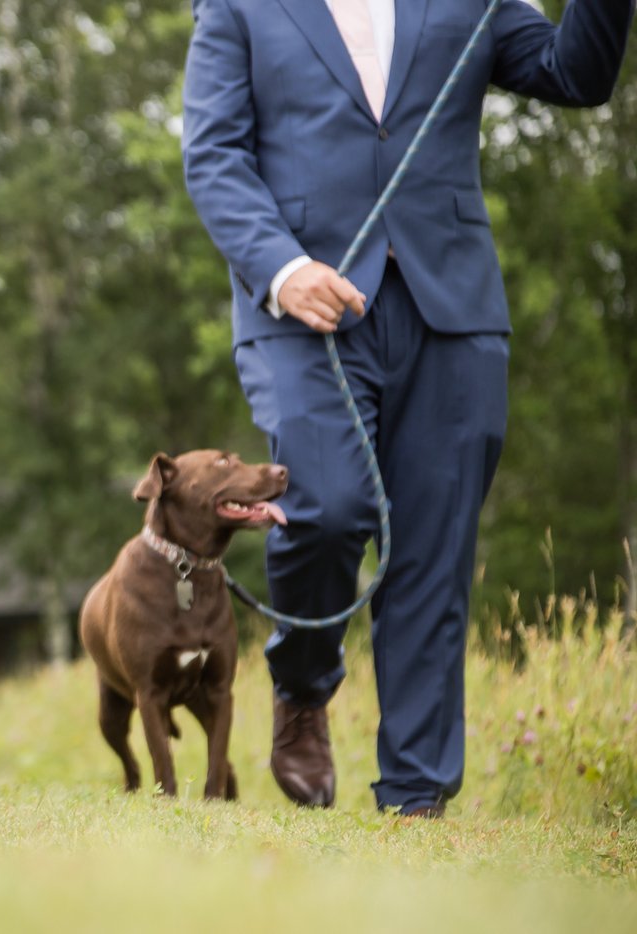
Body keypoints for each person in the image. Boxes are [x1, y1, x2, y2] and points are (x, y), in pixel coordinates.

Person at [182, 0, 632, 814]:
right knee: (324, 506)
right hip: (301, 310)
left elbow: (578, 76)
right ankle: (304, 685)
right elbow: (213, 155)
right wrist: (283, 269)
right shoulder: (237, 6)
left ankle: (416, 802)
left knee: (432, 552)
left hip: (452, 309)